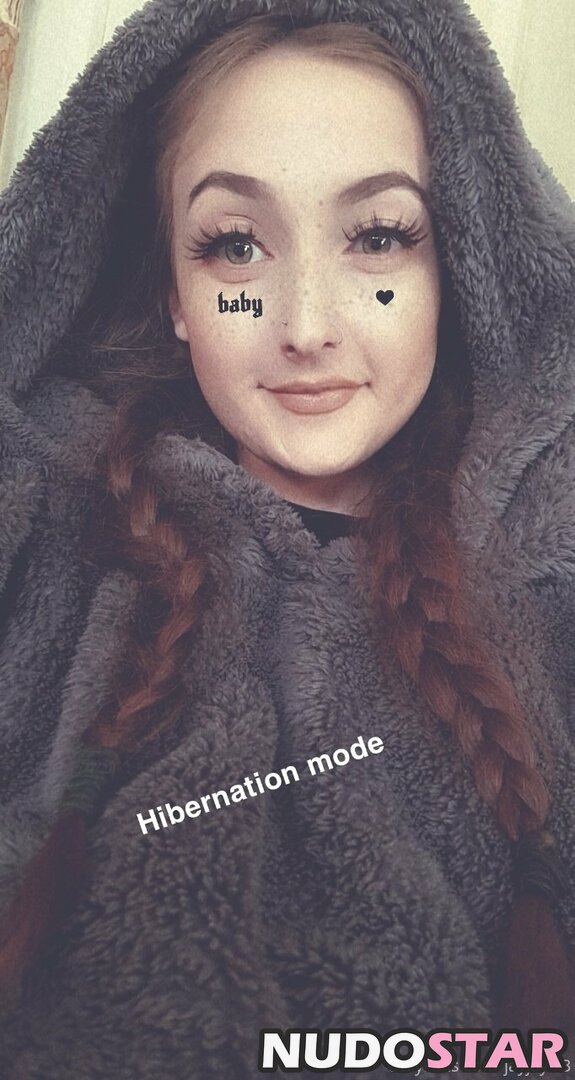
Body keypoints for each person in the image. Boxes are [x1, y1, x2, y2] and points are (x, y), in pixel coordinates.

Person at [0, 0, 574, 1076]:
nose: (305, 323)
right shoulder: (42, 515)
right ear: (175, 295)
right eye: (234, 246)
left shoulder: (549, 564)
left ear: (455, 269)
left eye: (378, 237)